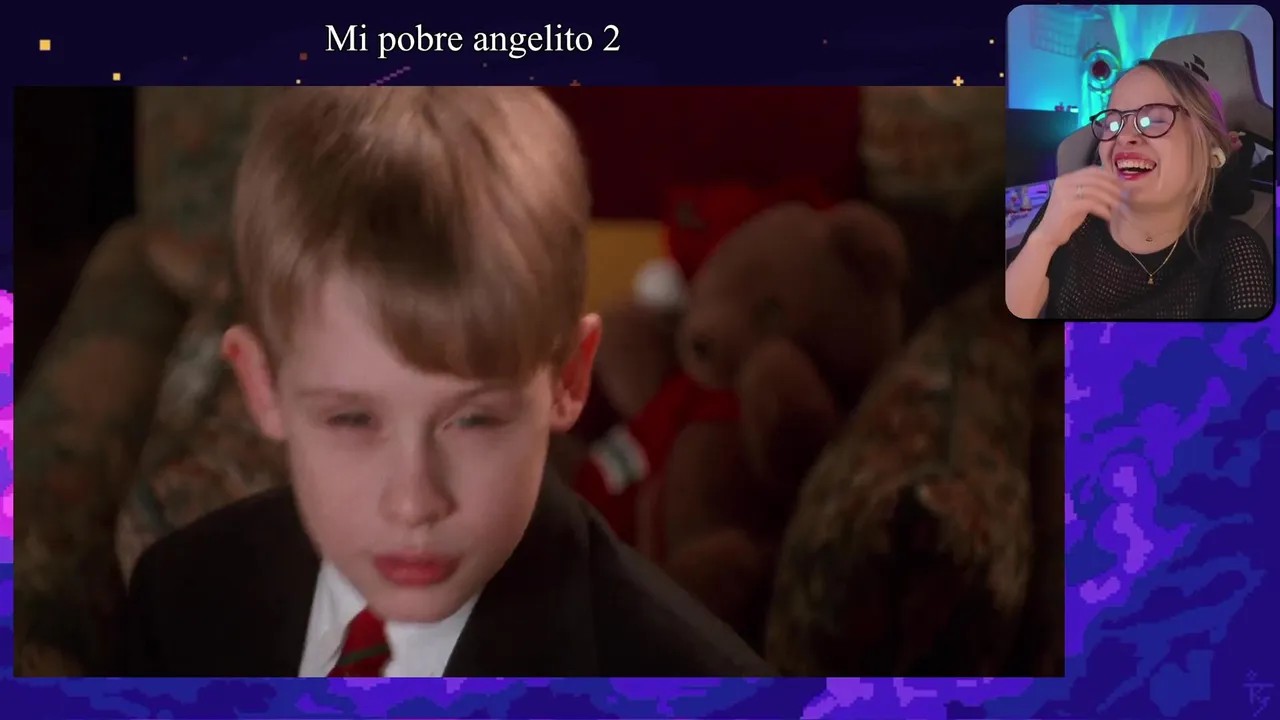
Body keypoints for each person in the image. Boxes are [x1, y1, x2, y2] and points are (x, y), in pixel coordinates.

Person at [119, 87, 773, 678]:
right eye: (352, 419)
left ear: (568, 377)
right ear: (261, 385)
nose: (414, 503)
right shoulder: (179, 597)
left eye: (473, 419)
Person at [1005, 58, 1273, 320]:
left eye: (1154, 120)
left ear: (1208, 150)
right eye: (1113, 123)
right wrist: (1043, 241)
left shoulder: (1235, 253)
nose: (1123, 136)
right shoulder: (1065, 219)